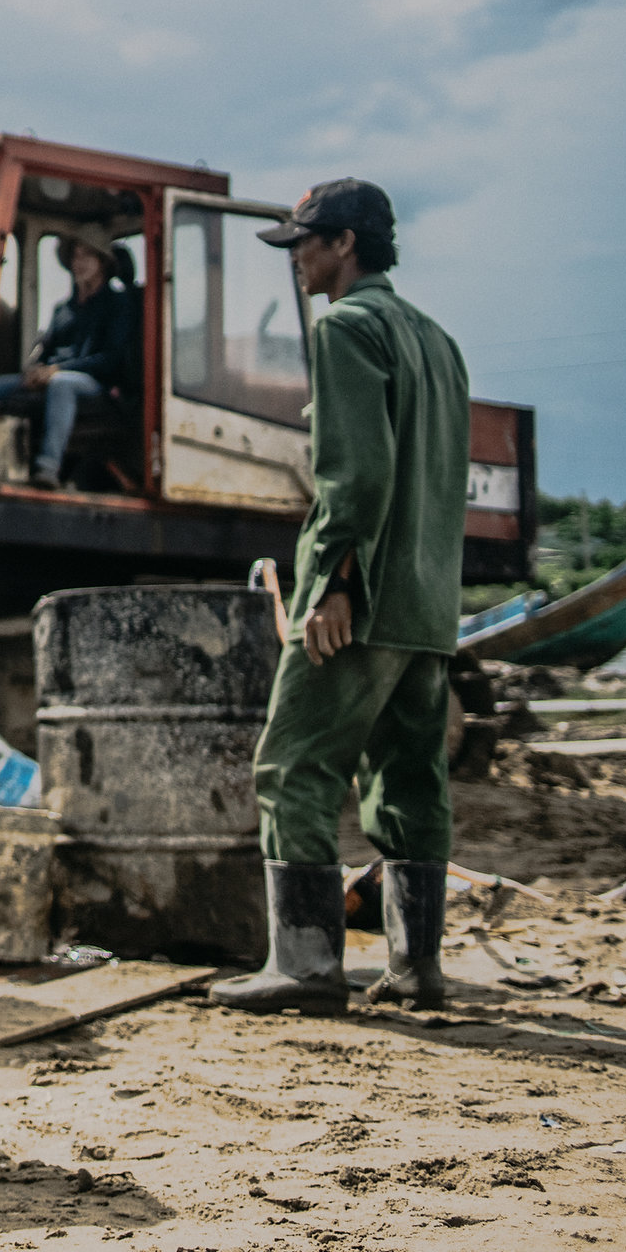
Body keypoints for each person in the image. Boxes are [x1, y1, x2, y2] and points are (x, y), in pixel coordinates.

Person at [212, 180, 468, 1015]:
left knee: (291, 767)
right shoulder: (438, 340)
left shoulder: (348, 330)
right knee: (409, 778)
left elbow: (355, 475)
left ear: (346, 243)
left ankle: (307, 966)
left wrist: (332, 586)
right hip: (428, 608)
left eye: (305, 243)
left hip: (363, 599)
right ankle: (417, 968)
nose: (297, 259)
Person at [0, 224, 139, 488]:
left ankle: (47, 469)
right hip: (53, 376)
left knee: (62, 384)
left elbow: (111, 360)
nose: (80, 263)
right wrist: (37, 370)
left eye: (87, 256)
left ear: (102, 263)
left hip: (96, 384)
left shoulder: (117, 305)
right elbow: (47, 348)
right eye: (76, 256)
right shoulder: (63, 310)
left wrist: (56, 371)